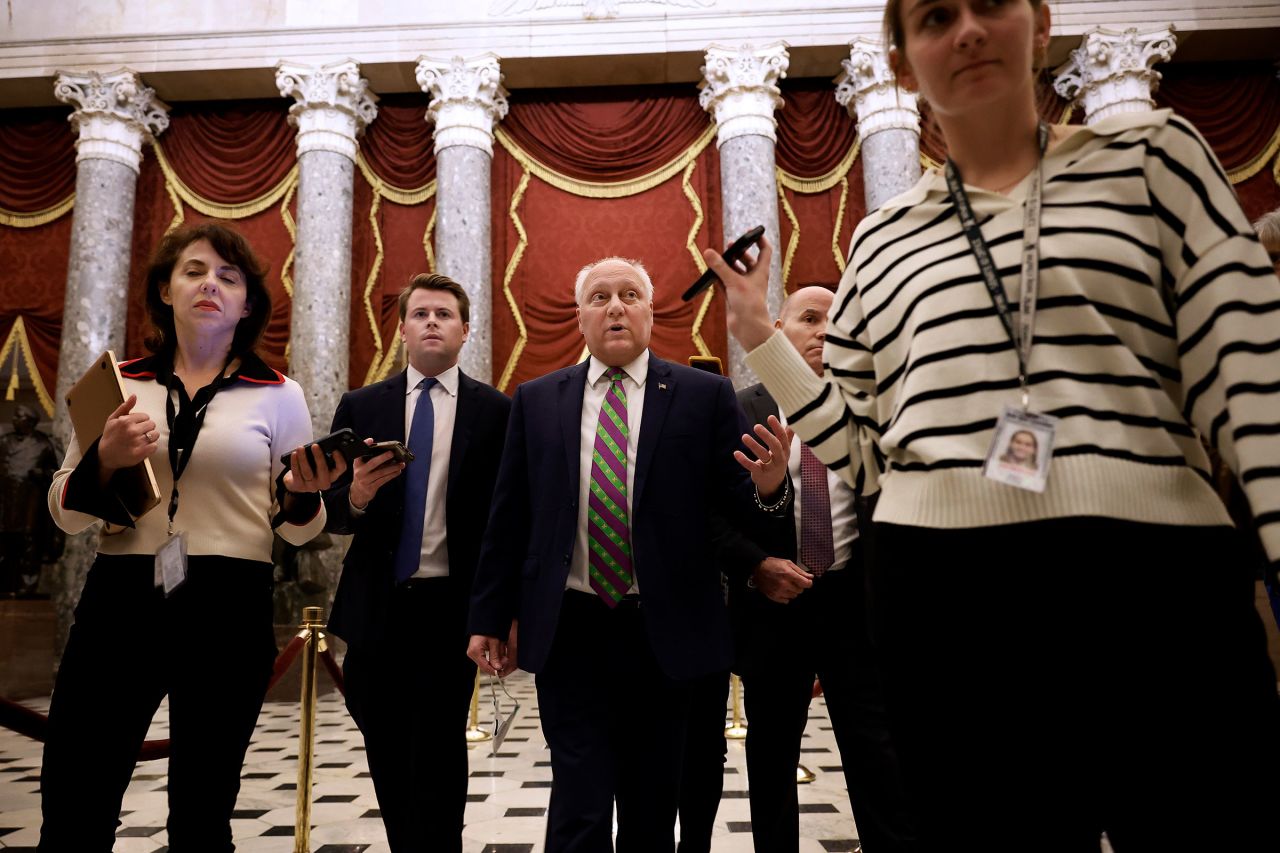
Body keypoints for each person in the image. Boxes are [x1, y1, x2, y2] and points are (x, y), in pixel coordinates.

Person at [708, 1, 1280, 849]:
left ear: (1040, 23)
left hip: (1155, 580)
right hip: (943, 595)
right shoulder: (882, 239)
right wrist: (760, 336)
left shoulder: (1156, 159)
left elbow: (1253, 373)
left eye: (991, 5)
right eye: (938, 16)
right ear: (903, 62)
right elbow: (861, 448)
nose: (969, 30)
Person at [466, 256, 792, 853]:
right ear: (580, 317)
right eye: (599, 296)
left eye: (629, 294)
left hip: (666, 631)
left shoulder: (703, 395)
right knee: (579, 807)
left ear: (650, 311)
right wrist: (490, 617)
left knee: (651, 806)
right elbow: (508, 519)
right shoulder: (537, 400)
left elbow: (732, 513)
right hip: (572, 628)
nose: (615, 306)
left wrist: (770, 488)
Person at [41, 222, 337, 852]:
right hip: (123, 593)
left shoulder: (281, 394)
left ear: (248, 303)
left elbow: (300, 528)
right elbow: (63, 510)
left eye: (229, 277)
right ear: (165, 290)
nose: (211, 285)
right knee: (76, 792)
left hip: (230, 599)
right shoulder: (117, 384)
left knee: (203, 807)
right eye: (195, 271)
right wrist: (105, 460)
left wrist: (303, 491)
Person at [323, 273, 511, 853]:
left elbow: (507, 522)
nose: (433, 322)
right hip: (378, 604)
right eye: (421, 313)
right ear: (402, 328)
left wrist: (499, 614)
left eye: (445, 314)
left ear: (465, 330)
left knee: (439, 747)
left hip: (451, 606)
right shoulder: (361, 405)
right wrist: (355, 492)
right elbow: (329, 511)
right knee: (383, 740)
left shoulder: (498, 410)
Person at [727, 286, 916, 853]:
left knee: (876, 750)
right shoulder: (739, 407)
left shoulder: (871, 410)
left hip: (853, 600)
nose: (823, 331)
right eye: (809, 318)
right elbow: (716, 512)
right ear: (778, 330)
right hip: (772, 602)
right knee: (772, 754)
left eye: (836, 321)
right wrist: (758, 564)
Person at [0, 404, 59, 596]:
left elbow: (57, 474)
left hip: (30, 504)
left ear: (30, 422)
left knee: (29, 544)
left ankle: (27, 586)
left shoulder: (43, 444)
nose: (14, 419)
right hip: (6, 502)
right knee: (6, 544)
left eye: (19, 416)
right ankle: (7, 585)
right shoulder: (4, 442)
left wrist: (42, 473)